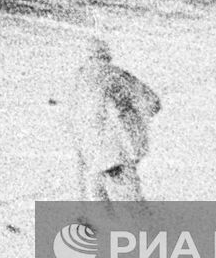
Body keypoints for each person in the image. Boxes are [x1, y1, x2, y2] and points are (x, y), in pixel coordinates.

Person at [62, 37, 162, 213]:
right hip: (115, 153)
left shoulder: (75, 80)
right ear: (106, 54)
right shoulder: (115, 75)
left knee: (97, 208)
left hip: (87, 154)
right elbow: (153, 102)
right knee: (132, 204)